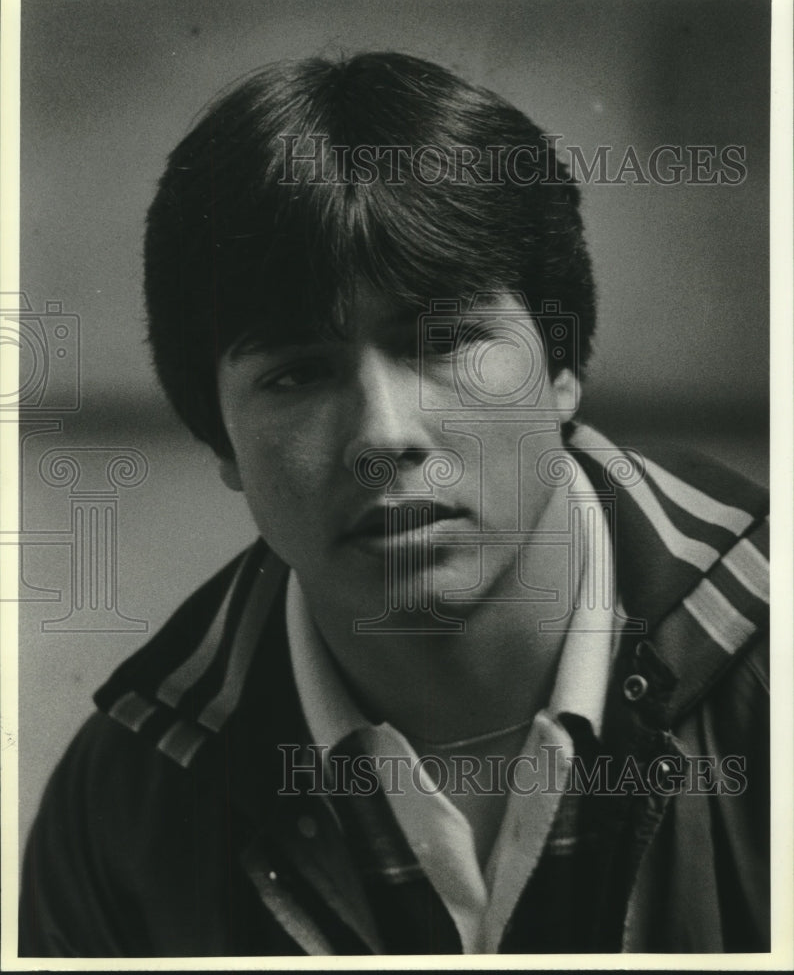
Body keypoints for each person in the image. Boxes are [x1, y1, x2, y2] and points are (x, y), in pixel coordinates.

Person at [19, 52, 769, 956]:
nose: (382, 433)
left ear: (562, 368)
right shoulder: (129, 800)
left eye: (442, 342)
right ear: (220, 441)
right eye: (298, 373)